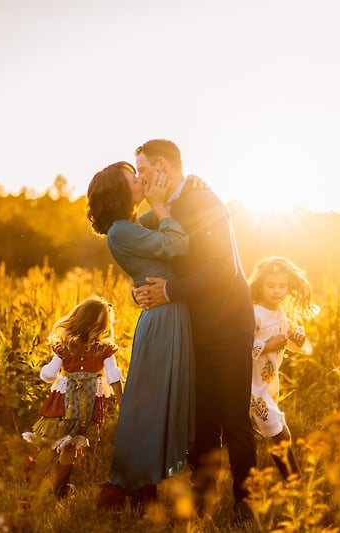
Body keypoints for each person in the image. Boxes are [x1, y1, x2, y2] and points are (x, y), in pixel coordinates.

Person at [131, 139, 257, 523]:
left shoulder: (205, 203)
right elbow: (138, 242)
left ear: (164, 167)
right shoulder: (163, 210)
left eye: (143, 170)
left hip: (229, 326)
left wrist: (167, 291)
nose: (140, 178)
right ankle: (203, 501)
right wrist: (141, 287)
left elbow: (221, 271)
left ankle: (246, 502)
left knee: (234, 419)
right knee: (203, 420)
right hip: (194, 330)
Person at [86, 161, 195, 512]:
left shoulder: (132, 224)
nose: (139, 178)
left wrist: (164, 193)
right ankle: (128, 485)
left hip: (168, 313)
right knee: (148, 405)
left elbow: (162, 219)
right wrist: (161, 205)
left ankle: (144, 485)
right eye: (132, 177)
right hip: (163, 318)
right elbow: (177, 244)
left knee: (159, 401)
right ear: (119, 192)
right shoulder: (121, 231)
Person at [21, 296, 124, 498]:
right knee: (69, 446)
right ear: (103, 325)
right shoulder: (104, 349)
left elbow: (50, 374)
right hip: (86, 408)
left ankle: (30, 490)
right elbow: (113, 376)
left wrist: (46, 373)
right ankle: (58, 489)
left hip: (61, 403)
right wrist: (122, 401)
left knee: (48, 444)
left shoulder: (66, 346)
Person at [247, 256, 319, 480]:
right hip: (250, 384)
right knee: (279, 431)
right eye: (271, 286)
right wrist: (268, 345)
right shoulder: (255, 313)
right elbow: (240, 348)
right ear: (260, 286)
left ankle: (287, 480)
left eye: (282, 286)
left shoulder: (280, 314)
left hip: (267, 384)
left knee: (266, 428)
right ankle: (293, 480)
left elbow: (292, 344)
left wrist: (297, 338)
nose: (277, 291)